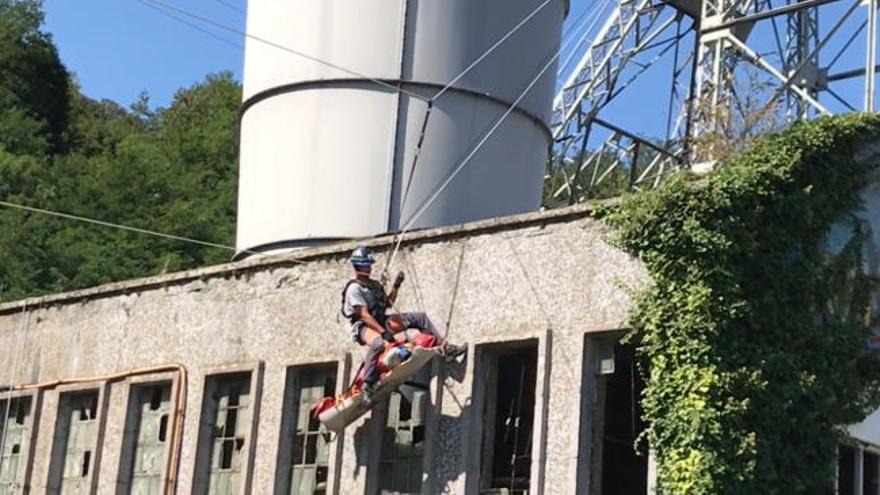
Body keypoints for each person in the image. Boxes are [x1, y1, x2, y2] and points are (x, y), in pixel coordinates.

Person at [341, 245, 466, 403]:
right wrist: (383, 332)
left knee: (419, 318)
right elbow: (364, 315)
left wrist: (396, 286)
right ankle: (367, 384)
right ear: (359, 266)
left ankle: (446, 348)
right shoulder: (355, 289)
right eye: (367, 264)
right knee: (378, 343)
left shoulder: (373, 286)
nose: (370, 267)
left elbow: (387, 303)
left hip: (380, 320)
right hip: (363, 326)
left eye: (370, 264)